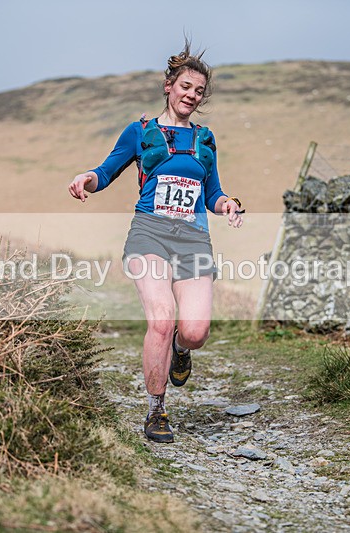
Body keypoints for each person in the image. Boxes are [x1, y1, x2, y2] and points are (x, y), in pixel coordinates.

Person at [68, 40, 244, 443]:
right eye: (185, 86)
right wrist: (86, 179)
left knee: (194, 332)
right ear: (169, 86)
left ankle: (181, 351)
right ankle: (156, 410)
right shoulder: (140, 131)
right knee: (161, 320)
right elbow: (105, 172)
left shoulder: (205, 140)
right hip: (149, 233)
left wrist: (228, 204)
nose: (191, 95)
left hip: (193, 239)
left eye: (199, 91)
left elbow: (213, 193)